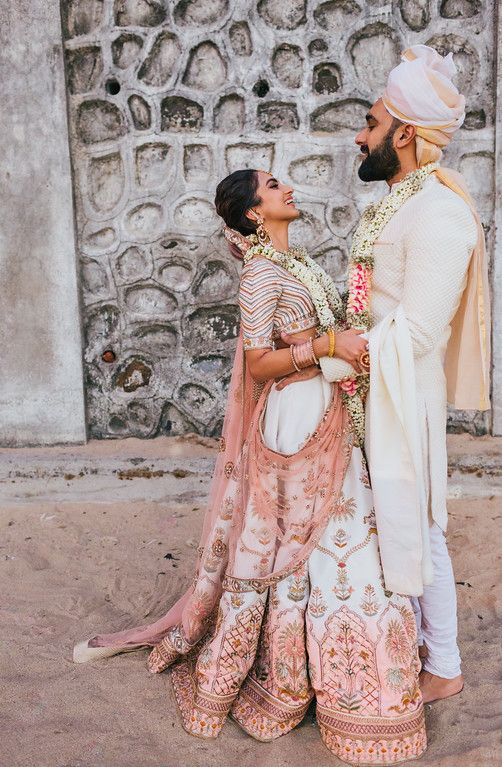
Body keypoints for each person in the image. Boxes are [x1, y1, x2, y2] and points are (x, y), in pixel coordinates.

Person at [73, 169, 427, 763]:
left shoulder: (298, 263)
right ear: (254, 214)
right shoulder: (261, 273)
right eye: (271, 185)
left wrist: (345, 345)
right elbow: (259, 362)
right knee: (301, 539)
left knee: (338, 537)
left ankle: (345, 677)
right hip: (294, 411)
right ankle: (293, 675)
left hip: (326, 402)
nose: (286, 187)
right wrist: (326, 347)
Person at [307, 45, 491, 706]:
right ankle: (402, 642)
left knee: (421, 525)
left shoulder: (440, 216)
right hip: (363, 384)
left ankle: (444, 663)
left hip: (397, 393)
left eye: (371, 121)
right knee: (380, 523)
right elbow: (367, 298)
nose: (360, 134)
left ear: (405, 135)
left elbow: (414, 333)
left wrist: (325, 351)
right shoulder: (395, 203)